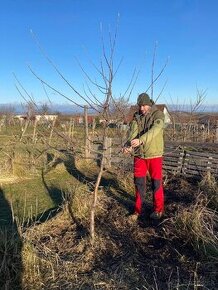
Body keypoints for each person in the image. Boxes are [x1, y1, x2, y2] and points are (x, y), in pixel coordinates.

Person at [123, 92, 165, 220]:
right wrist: (128, 145)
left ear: (149, 104)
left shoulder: (158, 114)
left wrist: (141, 140)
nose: (141, 108)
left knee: (156, 183)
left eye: (144, 105)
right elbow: (132, 133)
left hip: (154, 155)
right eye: (140, 106)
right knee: (139, 183)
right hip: (139, 155)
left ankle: (158, 210)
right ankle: (137, 211)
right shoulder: (136, 116)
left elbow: (156, 130)